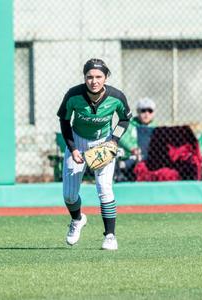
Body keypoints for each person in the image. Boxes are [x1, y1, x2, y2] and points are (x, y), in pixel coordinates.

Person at [56, 58, 131, 250]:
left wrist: (114, 140)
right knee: (69, 196)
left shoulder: (116, 97)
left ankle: (110, 236)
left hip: (103, 143)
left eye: (99, 76)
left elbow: (124, 119)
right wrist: (72, 148)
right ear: (84, 78)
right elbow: (64, 122)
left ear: (106, 77)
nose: (94, 81)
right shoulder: (73, 95)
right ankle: (77, 220)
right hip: (78, 141)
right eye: (89, 77)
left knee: (104, 188)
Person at [116, 97, 157, 181]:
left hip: (149, 157)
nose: (146, 114)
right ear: (138, 112)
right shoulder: (130, 125)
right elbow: (122, 138)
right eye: (143, 111)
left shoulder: (155, 127)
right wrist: (133, 148)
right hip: (131, 155)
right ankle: (122, 167)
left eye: (150, 111)